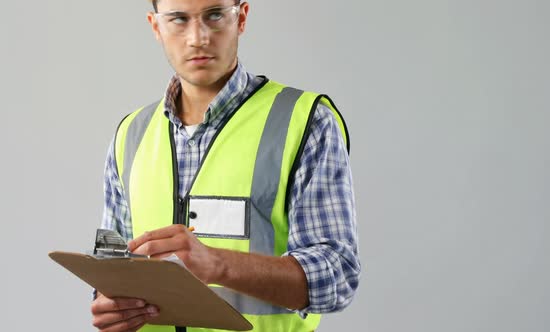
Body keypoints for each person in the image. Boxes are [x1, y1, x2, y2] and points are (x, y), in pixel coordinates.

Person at [91, 0, 360, 331]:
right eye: (178, 19)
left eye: (215, 15)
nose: (198, 37)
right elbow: (110, 267)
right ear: (156, 26)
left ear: (242, 17)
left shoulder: (305, 122)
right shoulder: (130, 134)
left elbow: (337, 275)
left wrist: (217, 263)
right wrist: (108, 305)